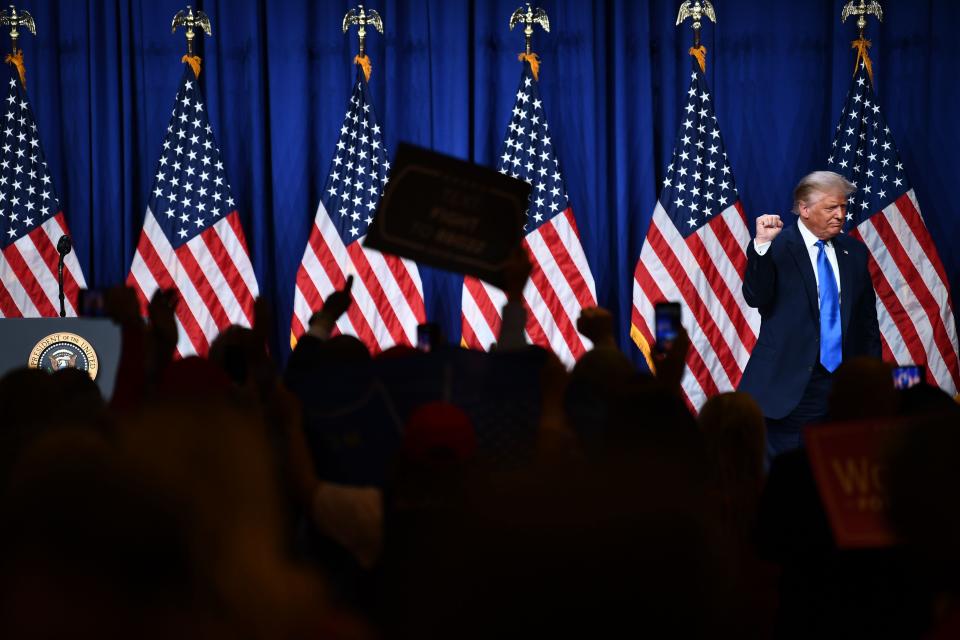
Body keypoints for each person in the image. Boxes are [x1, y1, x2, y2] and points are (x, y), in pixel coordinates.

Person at [738, 171, 880, 458]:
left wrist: (872, 381)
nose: (840, 215)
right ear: (804, 209)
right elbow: (756, 297)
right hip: (788, 388)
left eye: (843, 207)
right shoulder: (776, 245)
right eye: (831, 208)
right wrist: (762, 247)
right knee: (787, 485)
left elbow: (866, 324)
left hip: (841, 391)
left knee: (834, 478)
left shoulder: (854, 251)